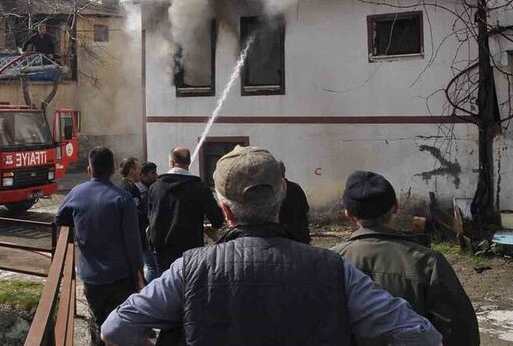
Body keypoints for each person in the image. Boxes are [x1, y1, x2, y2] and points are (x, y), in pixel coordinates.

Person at [102, 146, 444, 346]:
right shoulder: (334, 269)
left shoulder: (190, 269)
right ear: (282, 196)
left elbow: (115, 328)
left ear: (224, 209)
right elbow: (422, 336)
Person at [332, 171, 479, 346]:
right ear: (395, 207)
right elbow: (460, 330)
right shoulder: (428, 262)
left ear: (348, 215)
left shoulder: (329, 262)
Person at [55, 147, 143, 345]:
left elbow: (59, 218)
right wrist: (138, 275)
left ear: (89, 169)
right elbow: (132, 242)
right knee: (121, 328)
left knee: (98, 324)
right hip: (119, 277)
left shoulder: (77, 192)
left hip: (91, 277)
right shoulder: (123, 199)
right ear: (112, 170)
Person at [147, 146, 224, 273]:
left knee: (167, 289)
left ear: (171, 163)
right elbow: (217, 219)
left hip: (163, 252)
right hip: (191, 251)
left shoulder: (155, 187)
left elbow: (151, 217)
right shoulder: (200, 187)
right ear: (188, 163)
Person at [136, 161, 159, 283]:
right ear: (143, 175)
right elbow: (149, 215)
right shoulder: (144, 193)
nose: (156, 175)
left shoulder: (142, 188)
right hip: (145, 236)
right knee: (152, 266)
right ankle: (149, 293)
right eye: (152, 173)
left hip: (143, 236)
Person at [278, 160, 311, 243]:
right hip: (300, 236)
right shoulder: (296, 187)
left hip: (284, 238)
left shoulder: (273, 192)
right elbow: (306, 208)